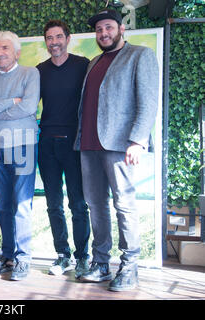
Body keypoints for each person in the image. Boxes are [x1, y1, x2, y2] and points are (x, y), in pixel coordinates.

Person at [74, 8, 159, 291]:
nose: (103, 33)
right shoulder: (94, 61)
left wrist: (137, 140)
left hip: (120, 145)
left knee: (124, 205)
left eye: (108, 27)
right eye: (99, 30)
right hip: (88, 144)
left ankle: (130, 266)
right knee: (95, 206)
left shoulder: (140, 55)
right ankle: (101, 264)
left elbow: (148, 101)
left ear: (121, 29)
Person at [0, 31, 40, 281]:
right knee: (4, 206)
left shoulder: (30, 73)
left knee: (22, 205)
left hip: (24, 145)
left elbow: (29, 107)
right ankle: (7, 256)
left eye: (5, 48)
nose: (0, 53)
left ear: (17, 52)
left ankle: (23, 259)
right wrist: (11, 102)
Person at [36, 20, 90, 278]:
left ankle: (82, 258)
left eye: (58, 36)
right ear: (45, 41)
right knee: (53, 204)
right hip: (46, 143)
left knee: (78, 204)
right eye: (49, 37)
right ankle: (62, 255)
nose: (54, 41)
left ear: (68, 38)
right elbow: (26, 105)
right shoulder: (39, 71)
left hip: (74, 143)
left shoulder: (83, 65)